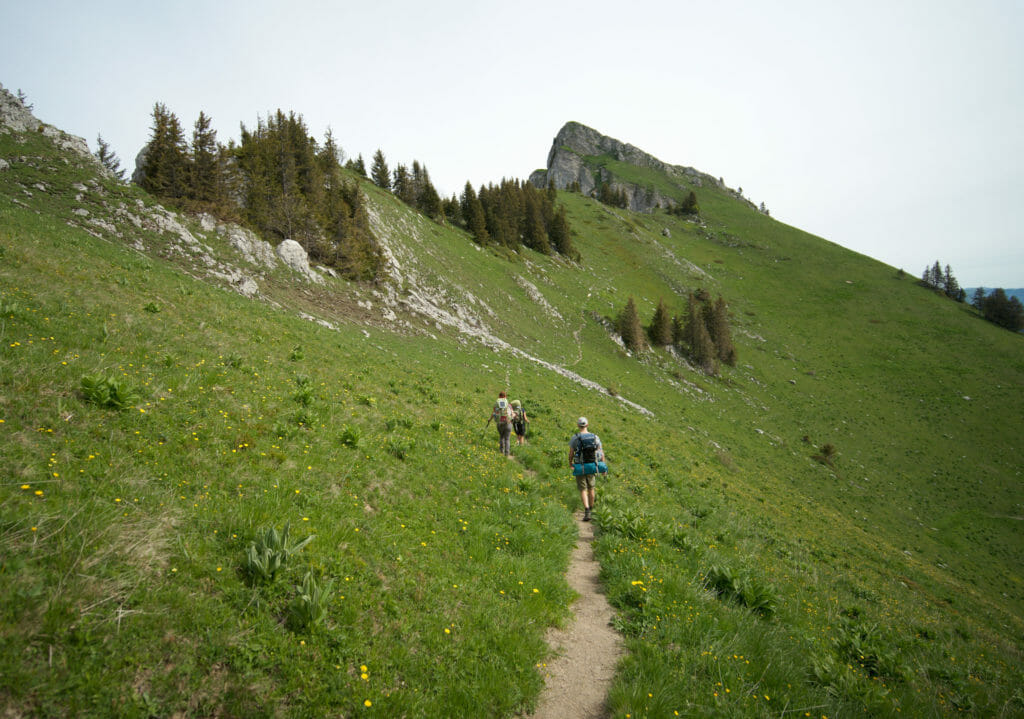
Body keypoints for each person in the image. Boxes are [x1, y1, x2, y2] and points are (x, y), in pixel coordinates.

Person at [568, 416, 605, 521]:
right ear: (587, 425)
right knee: (591, 488)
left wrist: (570, 463)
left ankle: (587, 510)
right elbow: (601, 452)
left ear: (578, 426)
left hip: (580, 466)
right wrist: (603, 467)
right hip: (592, 466)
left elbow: (571, 453)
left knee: (583, 489)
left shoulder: (575, 438)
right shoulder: (595, 437)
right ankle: (591, 509)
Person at [486, 391, 514, 457]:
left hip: (500, 423)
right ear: (505, 397)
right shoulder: (509, 405)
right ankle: (507, 453)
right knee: (507, 439)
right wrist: (511, 419)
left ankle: (501, 451)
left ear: (499, 396)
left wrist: (489, 419)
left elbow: (493, 413)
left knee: (501, 437)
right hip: (508, 422)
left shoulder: (496, 404)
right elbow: (512, 413)